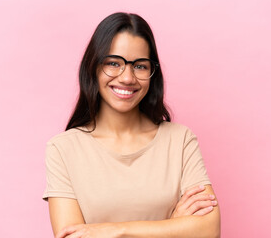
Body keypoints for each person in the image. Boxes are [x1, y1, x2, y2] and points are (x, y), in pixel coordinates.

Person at [43, 12, 220, 238]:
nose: (127, 78)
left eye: (140, 66)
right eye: (114, 63)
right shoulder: (63, 149)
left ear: (152, 73)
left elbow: (209, 230)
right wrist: (173, 226)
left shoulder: (180, 140)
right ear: (93, 67)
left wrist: (116, 231)